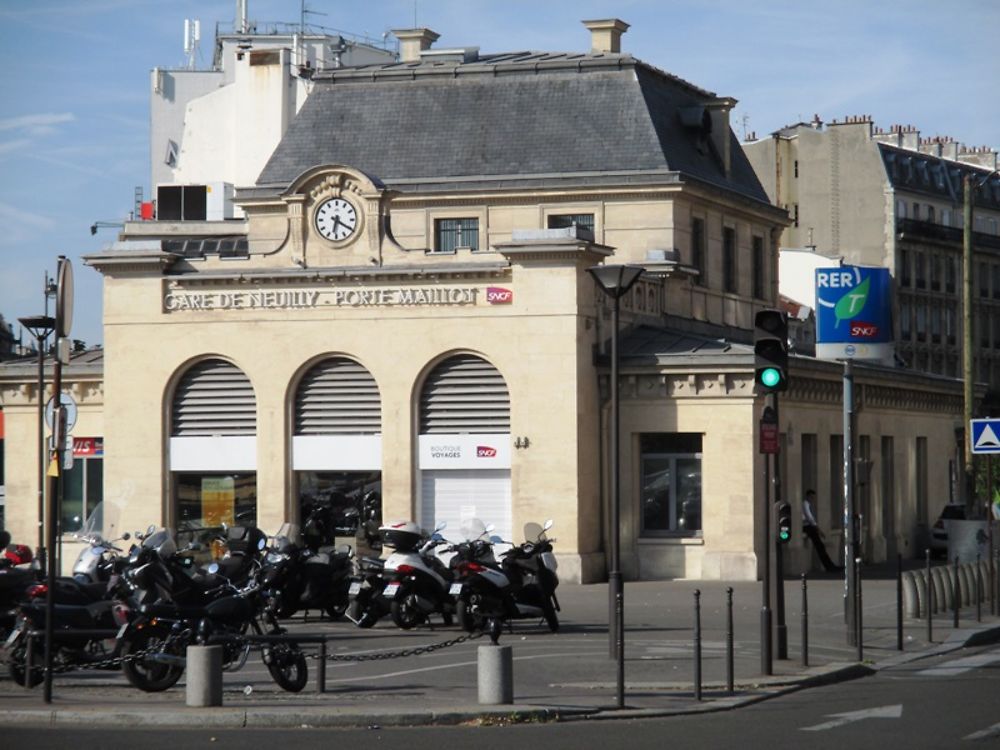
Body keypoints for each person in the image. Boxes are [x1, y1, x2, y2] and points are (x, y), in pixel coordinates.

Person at [802, 489, 842, 572]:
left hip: (809, 527)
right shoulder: (805, 504)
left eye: (813, 497)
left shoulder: (808, 504)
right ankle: (829, 566)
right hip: (807, 527)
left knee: (820, 546)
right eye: (811, 497)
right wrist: (818, 530)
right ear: (808, 496)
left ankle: (830, 566)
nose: (813, 499)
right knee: (820, 546)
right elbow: (810, 518)